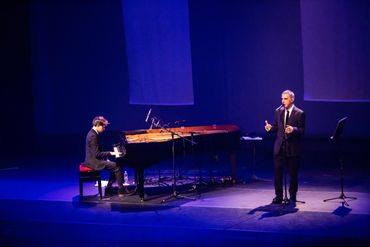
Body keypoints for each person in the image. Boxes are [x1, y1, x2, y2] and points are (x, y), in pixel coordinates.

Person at [264, 90, 305, 204]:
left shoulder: (299, 113)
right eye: (282, 99)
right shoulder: (278, 111)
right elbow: (277, 127)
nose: (283, 101)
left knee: (293, 174)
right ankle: (278, 196)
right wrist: (270, 128)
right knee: (278, 173)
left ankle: (292, 196)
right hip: (279, 147)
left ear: (292, 99)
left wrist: (294, 129)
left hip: (292, 148)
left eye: (285, 99)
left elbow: (302, 130)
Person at [84, 116, 127, 197]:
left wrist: (105, 158)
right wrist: (111, 153)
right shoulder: (93, 136)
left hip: (93, 159)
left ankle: (109, 188)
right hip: (93, 162)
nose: (104, 129)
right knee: (117, 166)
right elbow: (97, 154)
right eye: (103, 127)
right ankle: (121, 190)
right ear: (98, 125)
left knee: (113, 165)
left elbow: (96, 152)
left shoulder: (93, 133)